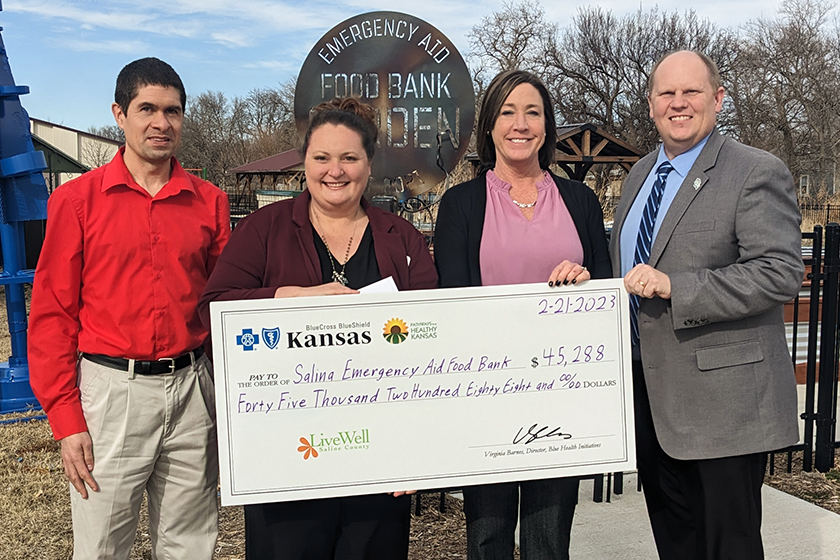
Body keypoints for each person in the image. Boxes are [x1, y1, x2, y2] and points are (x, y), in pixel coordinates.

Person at [199, 96, 438, 559]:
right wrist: (291, 297)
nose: (335, 170)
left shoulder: (401, 237)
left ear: (370, 164)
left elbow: (433, 344)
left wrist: (419, 449)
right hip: (287, 454)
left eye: (350, 158)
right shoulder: (265, 229)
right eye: (322, 157)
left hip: (379, 454)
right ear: (303, 162)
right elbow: (214, 312)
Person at [28, 57, 230, 559]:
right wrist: (66, 417)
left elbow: (226, 303)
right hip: (112, 392)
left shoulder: (210, 202)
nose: (161, 123)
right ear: (119, 114)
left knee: (190, 543)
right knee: (102, 546)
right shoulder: (77, 201)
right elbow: (52, 313)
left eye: (173, 111)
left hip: (191, 389)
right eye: (147, 109)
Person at [609, 50, 804, 560]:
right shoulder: (638, 178)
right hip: (653, 405)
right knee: (676, 545)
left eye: (691, 92)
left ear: (717, 99)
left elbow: (780, 272)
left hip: (726, 408)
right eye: (666, 93)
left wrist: (677, 286)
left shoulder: (755, 171)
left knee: (728, 548)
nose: (678, 104)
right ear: (650, 104)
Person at [434, 70, 611, 560]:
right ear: (490, 125)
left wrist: (586, 283)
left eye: (533, 112)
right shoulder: (461, 204)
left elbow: (607, 289)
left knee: (549, 539)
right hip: (487, 393)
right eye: (508, 112)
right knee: (488, 536)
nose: (520, 123)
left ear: (547, 126)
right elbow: (453, 301)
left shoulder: (580, 201)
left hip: (562, 395)